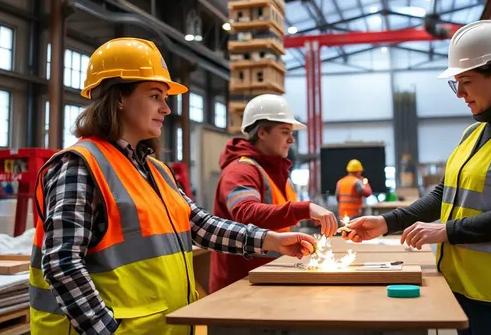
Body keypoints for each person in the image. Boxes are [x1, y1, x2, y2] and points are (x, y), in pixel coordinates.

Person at [28, 38, 317, 335]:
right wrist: (107, 331)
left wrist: (272, 241)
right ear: (118, 97)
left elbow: (201, 226)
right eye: (155, 96)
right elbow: (62, 264)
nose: (166, 109)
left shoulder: (155, 170)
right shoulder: (80, 165)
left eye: (165, 98)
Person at [342, 20, 491, 335]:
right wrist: (387, 223)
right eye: (456, 83)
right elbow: (443, 196)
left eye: (466, 81)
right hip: (466, 289)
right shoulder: (474, 133)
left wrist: (446, 231)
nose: (460, 93)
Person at [209, 94, 338, 293]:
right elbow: (246, 213)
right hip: (239, 288)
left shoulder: (276, 172)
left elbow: (280, 219)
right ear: (262, 132)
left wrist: (309, 223)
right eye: (285, 131)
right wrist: (305, 208)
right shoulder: (240, 171)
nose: (291, 139)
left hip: (269, 277)